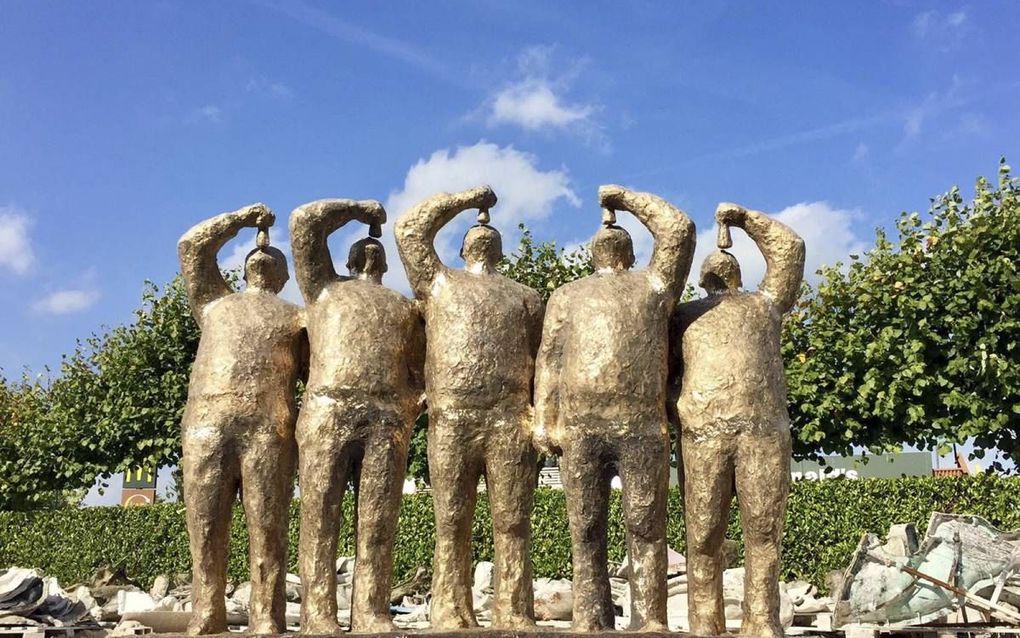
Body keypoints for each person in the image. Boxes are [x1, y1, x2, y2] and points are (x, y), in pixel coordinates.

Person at [533, 185, 695, 631]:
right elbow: (549, 359)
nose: (610, 239)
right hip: (581, 428)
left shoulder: (655, 284)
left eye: (617, 236)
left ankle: (650, 620)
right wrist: (545, 419)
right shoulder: (566, 295)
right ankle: (590, 618)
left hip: (642, 425)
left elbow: (678, 230)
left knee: (645, 525)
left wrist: (624, 199)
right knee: (584, 528)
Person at [394, 185, 544, 629]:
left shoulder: (526, 297)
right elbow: (410, 230)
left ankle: (514, 608)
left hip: (510, 419)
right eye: (475, 231)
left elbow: (540, 358)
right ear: (460, 247)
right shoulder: (439, 282)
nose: (483, 232)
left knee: (513, 520)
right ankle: (449, 609)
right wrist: (466, 199)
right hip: (451, 418)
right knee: (451, 522)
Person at [288, 198, 425, 633]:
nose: (369, 254)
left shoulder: (406, 308)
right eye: (362, 251)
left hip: (385, 418)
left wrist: (405, 409)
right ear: (345, 260)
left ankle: (371, 610)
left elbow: (422, 372)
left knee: (379, 519)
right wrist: (358, 209)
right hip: (327, 409)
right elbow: (305, 224)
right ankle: (318, 614)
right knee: (319, 516)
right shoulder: (324, 289)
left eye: (375, 252)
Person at [672, 202, 804, 638]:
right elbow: (660, 374)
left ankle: (761, 620)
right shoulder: (684, 316)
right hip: (709, 433)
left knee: (760, 533)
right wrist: (742, 220)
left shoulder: (764, 305)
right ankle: (706, 622)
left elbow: (790, 249)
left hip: (759, 432)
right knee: (709, 534)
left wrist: (742, 220)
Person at [177, 204, 306, 635]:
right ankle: (206, 611)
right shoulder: (214, 303)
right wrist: (241, 219)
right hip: (205, 426)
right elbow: (193, 247)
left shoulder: (298, 318)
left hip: (269, 430)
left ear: (285, 278)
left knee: (267, 528)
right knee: (205, 527)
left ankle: (266, 616)